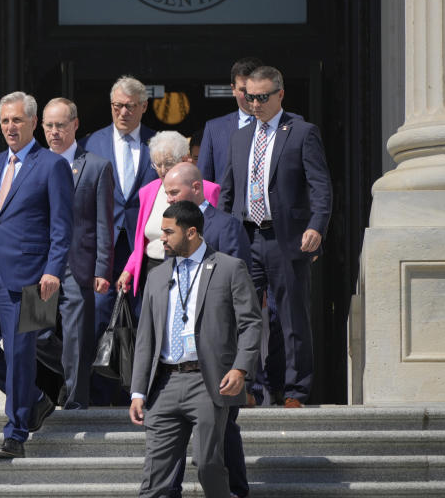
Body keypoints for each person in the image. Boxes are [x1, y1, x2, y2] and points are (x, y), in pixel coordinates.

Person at [0, 91, 73, 459]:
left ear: (33, 123)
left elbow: (62, 226)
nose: (10, 127)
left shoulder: (51, 165)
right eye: (5, 120)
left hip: (32, 279)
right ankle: (35, 399)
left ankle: (16, 433)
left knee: (22, 354)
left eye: (17, 120)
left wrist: (54, 270)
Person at [129, 201, 261, 498]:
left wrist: (240, 369)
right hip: (164, 384)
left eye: (167, 232)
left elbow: (251, 324)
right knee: (155, 481)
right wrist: (138, 391)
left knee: (207, 465)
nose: (161, 238)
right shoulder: (157, 276)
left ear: (191, 232)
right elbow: (145, 338)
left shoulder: (229, 268)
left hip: (208, 381)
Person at [219, 66, 332, 407]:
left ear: (280, 94)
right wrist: (223, 234)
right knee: (243, 315)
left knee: (291, 316)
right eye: (249, 97)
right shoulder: (239, 137)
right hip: (245, 237)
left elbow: (320, 186)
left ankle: (295, 389)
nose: (255, 104)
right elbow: (228, 191)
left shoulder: (301, 132)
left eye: (262, 97)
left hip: (285, 237)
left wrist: (316, 226)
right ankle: (249, 387)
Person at [162, 162, 253, 498]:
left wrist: (239, 361)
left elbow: (242, 291)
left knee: (224, 431)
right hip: (178, 356)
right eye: (166, 192)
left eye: (174, 191)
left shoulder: (225, 225)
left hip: (218, 355)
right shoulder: (168, 228)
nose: (168, 197)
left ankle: (237, 491)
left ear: (196, 188)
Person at [81, 76, 157, 404]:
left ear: (143, 106)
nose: (122, 112)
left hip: (145, 246)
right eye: (116, 106)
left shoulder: (159, 143)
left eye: (129, 106)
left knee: (142, 318)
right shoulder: (90, 143)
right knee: (99, 316)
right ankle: (99, 395)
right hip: (103, 245)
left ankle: (138, 393)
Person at [36, 97, 114, 409]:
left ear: (75, 126)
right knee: (36, 335)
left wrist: (102, 268)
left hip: (77, 265)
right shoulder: (32, 165)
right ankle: (75, 371)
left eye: (61, 125)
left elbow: (103, 223)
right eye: (49, 126)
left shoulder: (96, 166)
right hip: (39, 265)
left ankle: (76, 401)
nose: (54, 132)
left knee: (76, 334)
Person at [116, 131, 221, 298]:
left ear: (184, 160)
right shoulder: (147, 191)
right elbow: (141, 241)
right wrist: (129, 269)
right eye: (157, 164)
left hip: (190, 268)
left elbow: (213, 232)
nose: (163, 170)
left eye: (169, 163)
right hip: (151, 270)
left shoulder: (205, 189)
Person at [196, 57, 262, 184]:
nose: (250, 95)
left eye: (255, 89)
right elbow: (204, 183)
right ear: (233, 89)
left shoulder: (285, 125)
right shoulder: (214, 129)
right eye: (244, 90)